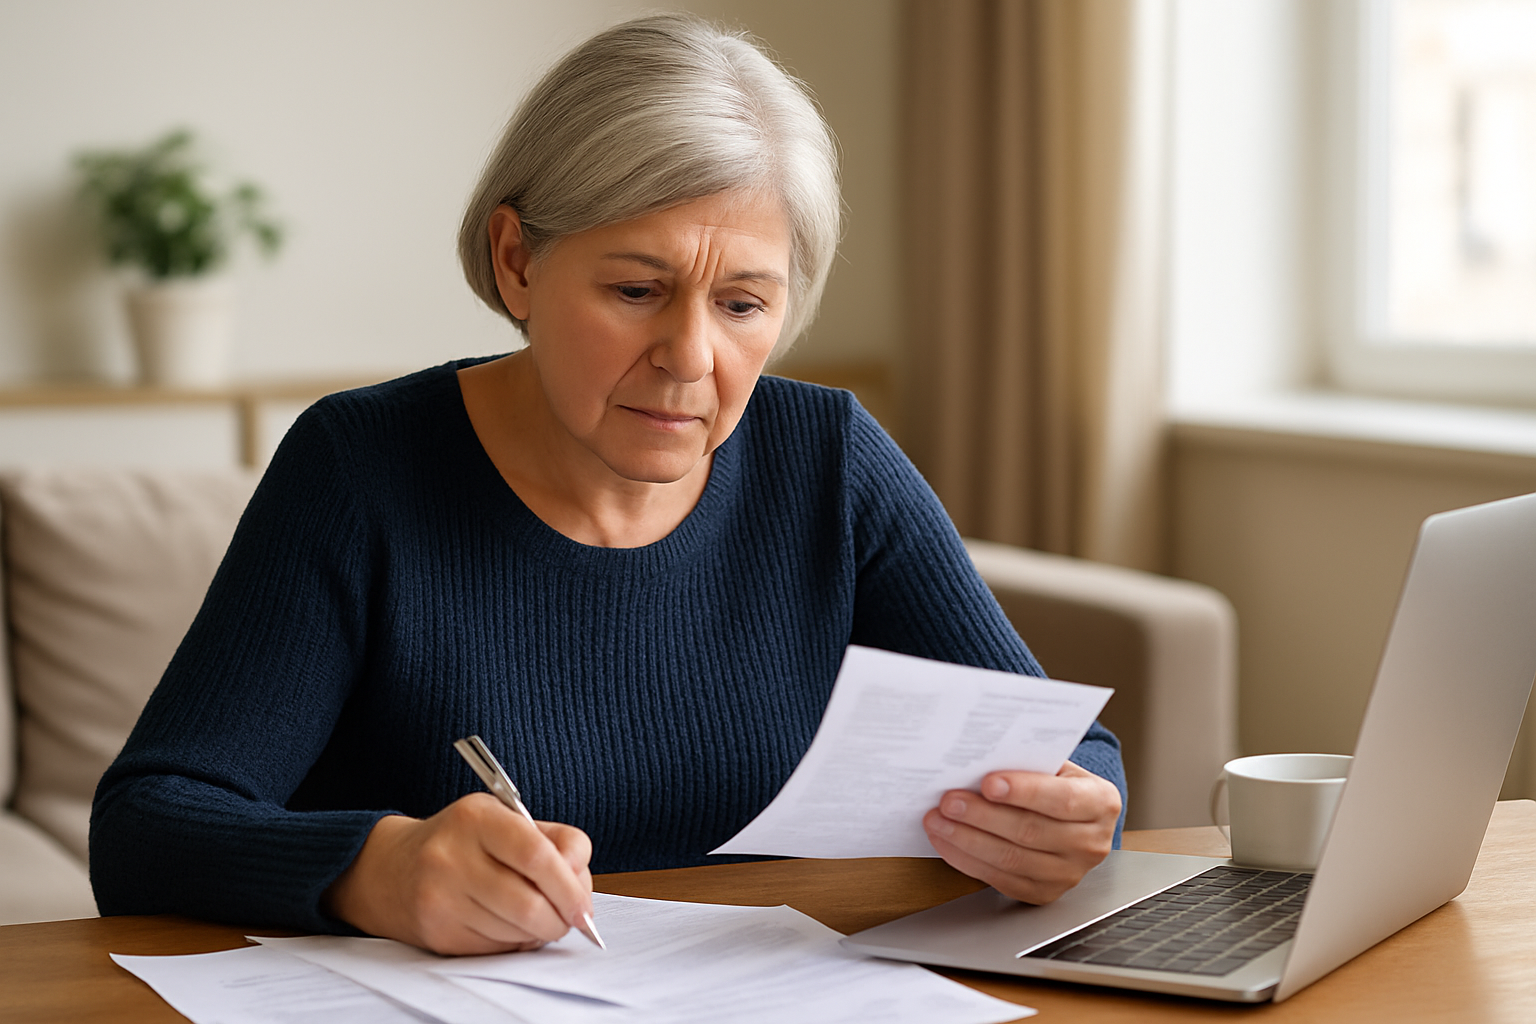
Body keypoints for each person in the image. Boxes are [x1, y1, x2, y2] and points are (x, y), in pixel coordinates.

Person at [90, 13, 1125, 956]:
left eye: (743, 304)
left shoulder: (830, 459)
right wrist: (379, 869)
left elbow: (1073, 754)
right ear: (517, 262)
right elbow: (146, 825)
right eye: (638, 290)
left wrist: (1072, 816)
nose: (690, 357)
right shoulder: (360, 468)